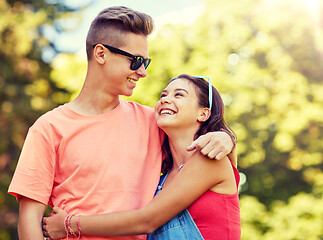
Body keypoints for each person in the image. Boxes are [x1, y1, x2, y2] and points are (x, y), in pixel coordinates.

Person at [8, 6, 235, 240]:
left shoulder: (154, 121)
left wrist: (226, 138)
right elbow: (30, 218)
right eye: (136, 60)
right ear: (101, 54)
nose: (142, 72)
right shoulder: (48, 128)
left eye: (145, 62)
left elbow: (200, 143)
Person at [43, 74, 240, 240]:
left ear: (203, 114)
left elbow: (146, 221)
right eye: (163, 95)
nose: (165, 99)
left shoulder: (210, 160)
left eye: (179, 95)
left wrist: (69, 224)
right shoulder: (160, 177)